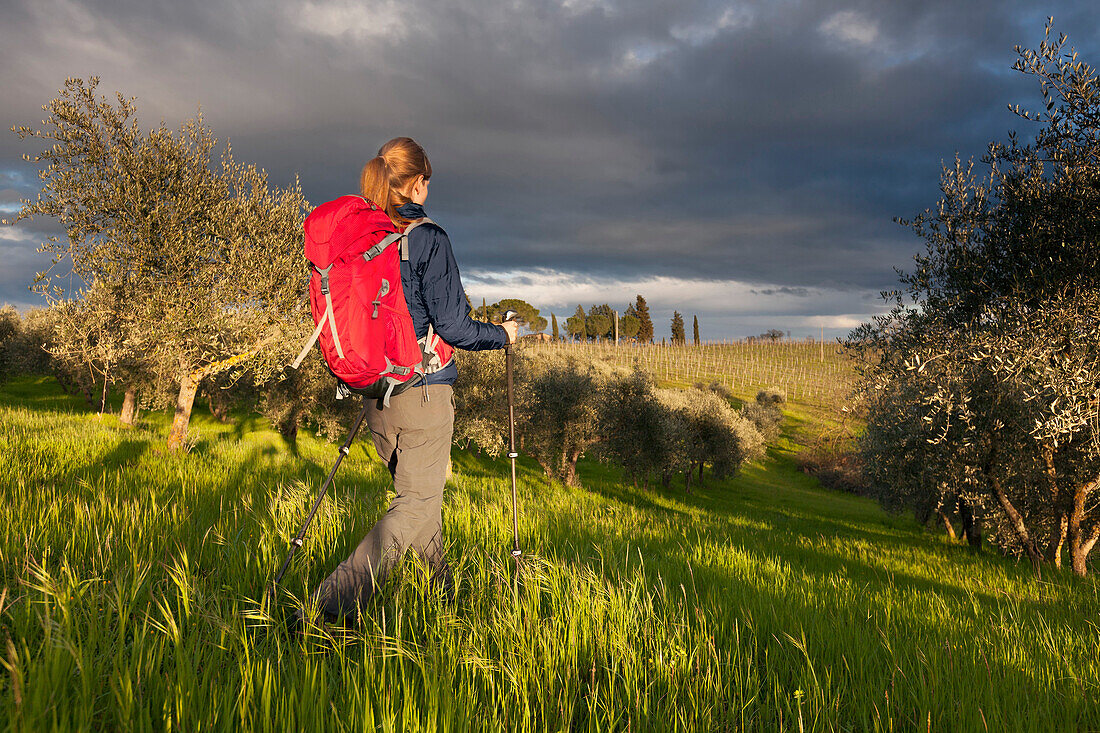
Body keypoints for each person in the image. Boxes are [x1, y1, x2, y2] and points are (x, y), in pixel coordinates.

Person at [311, 137, 517, 621]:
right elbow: (454, 327)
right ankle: (323, 609)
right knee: (414, 506)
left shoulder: (364, 234)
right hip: (424, 396)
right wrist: (503, 335)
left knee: (423, 505)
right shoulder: (428, 237)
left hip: (376, 398)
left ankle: (443, 605)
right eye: (427, 182)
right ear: (419, 183)